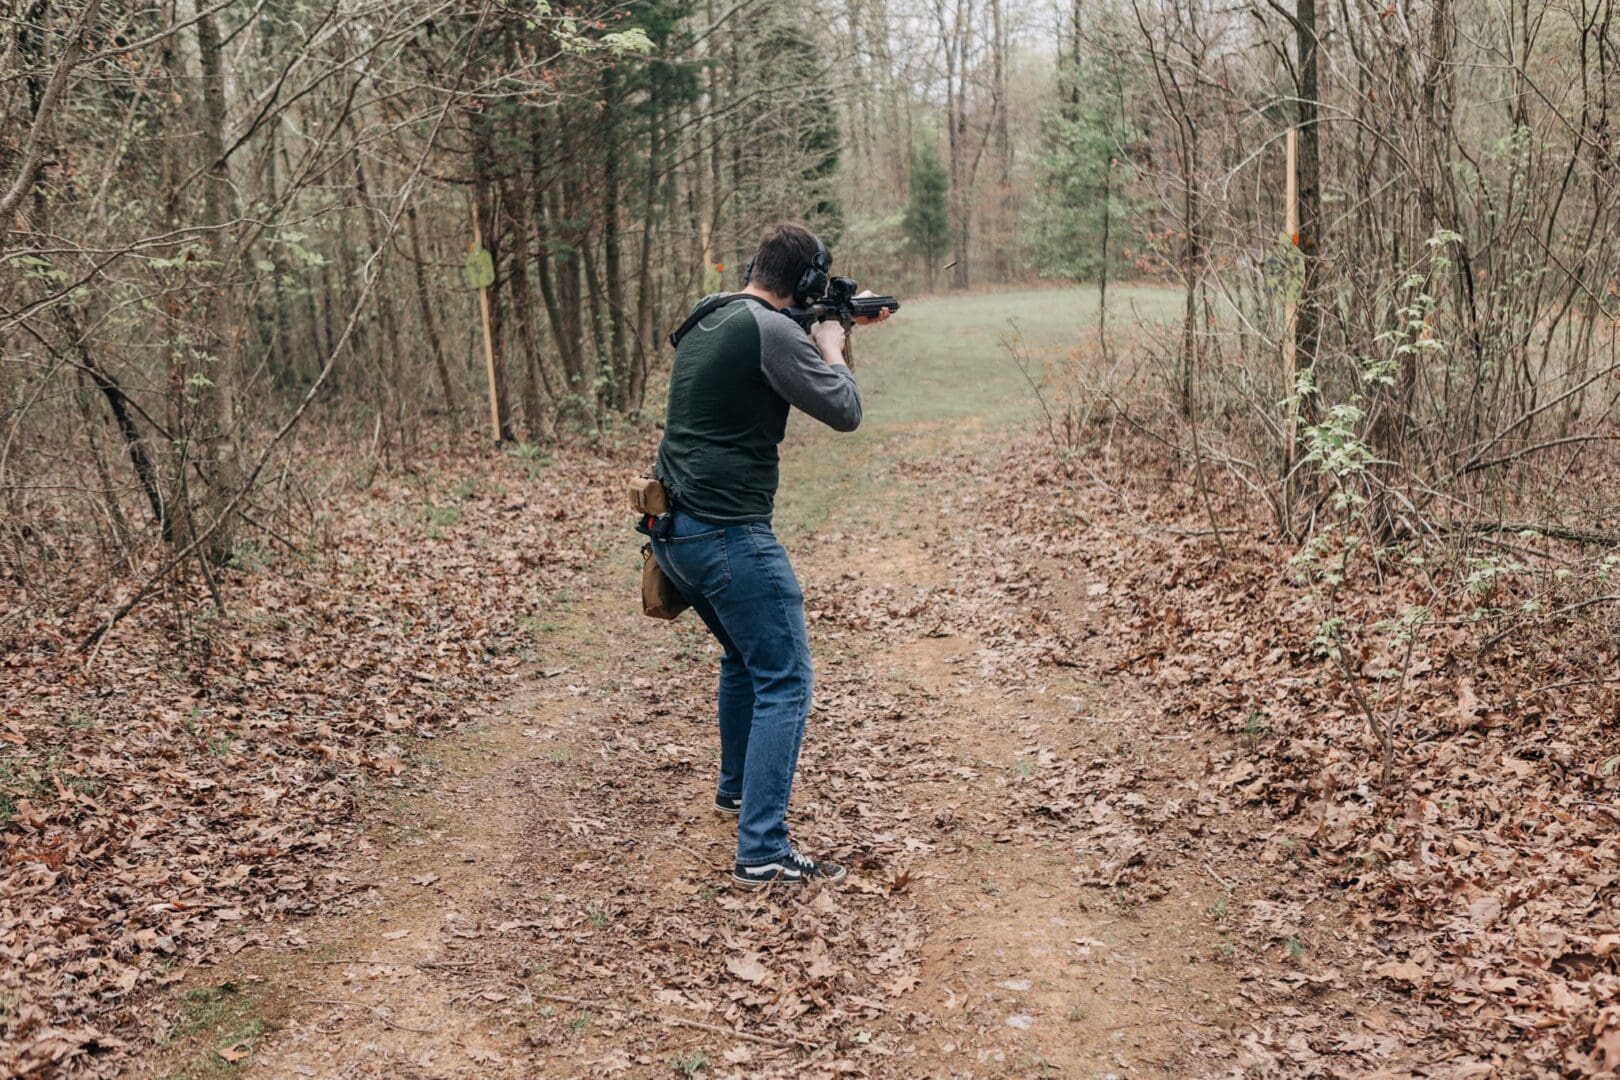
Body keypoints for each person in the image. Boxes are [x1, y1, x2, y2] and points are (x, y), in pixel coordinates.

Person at [649, 222, 891, 890]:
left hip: (674, 532)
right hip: (727, 536)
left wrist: (829, 325)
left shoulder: (715, 313)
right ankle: (762, 849)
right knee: (785, 677)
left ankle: (736, 794)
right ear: (807, 283)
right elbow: (843, 409)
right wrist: (834, 344)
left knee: (744, 659)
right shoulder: (777, 331)